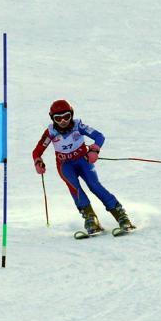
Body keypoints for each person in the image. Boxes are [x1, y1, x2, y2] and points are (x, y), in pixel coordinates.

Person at [32, 99, 134, 234]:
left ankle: (120, 214)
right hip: (65, 165)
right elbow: (37, 151)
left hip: (83, 161)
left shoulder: (78, 126)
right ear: (52, 119)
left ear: (72, 115)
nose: (63, 121)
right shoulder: (50, 132)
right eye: (58, 118)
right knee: (75, 188)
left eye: (66, 116)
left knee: (94, 185)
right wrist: (38, 162)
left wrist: (95, 150)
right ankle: (90, 218)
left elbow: (99, 136)